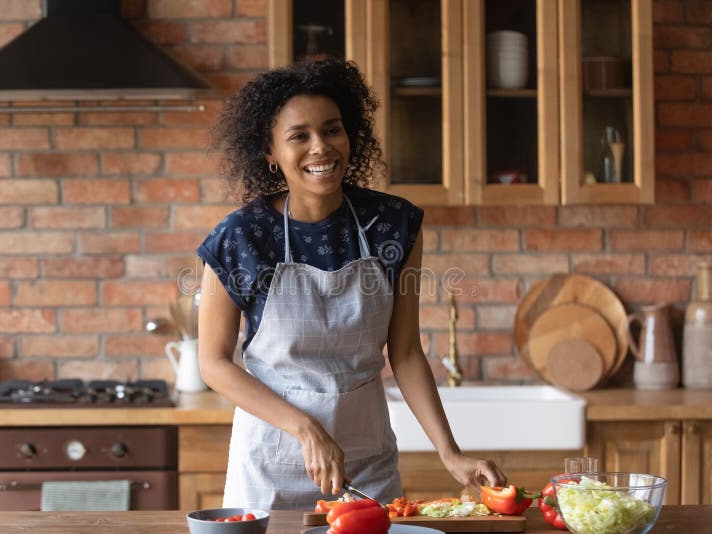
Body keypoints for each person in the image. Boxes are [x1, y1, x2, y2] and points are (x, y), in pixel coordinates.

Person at [196, 58, 506, 510]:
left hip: (366, 466)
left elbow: (404, 351)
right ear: (269, 153)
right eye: (299, 136)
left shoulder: (393, 225)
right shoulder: (241, 238)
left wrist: (450, 452)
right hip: (269, 465)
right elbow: (213, 363)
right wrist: (305, 428)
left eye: (332, 129)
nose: (320, 147)